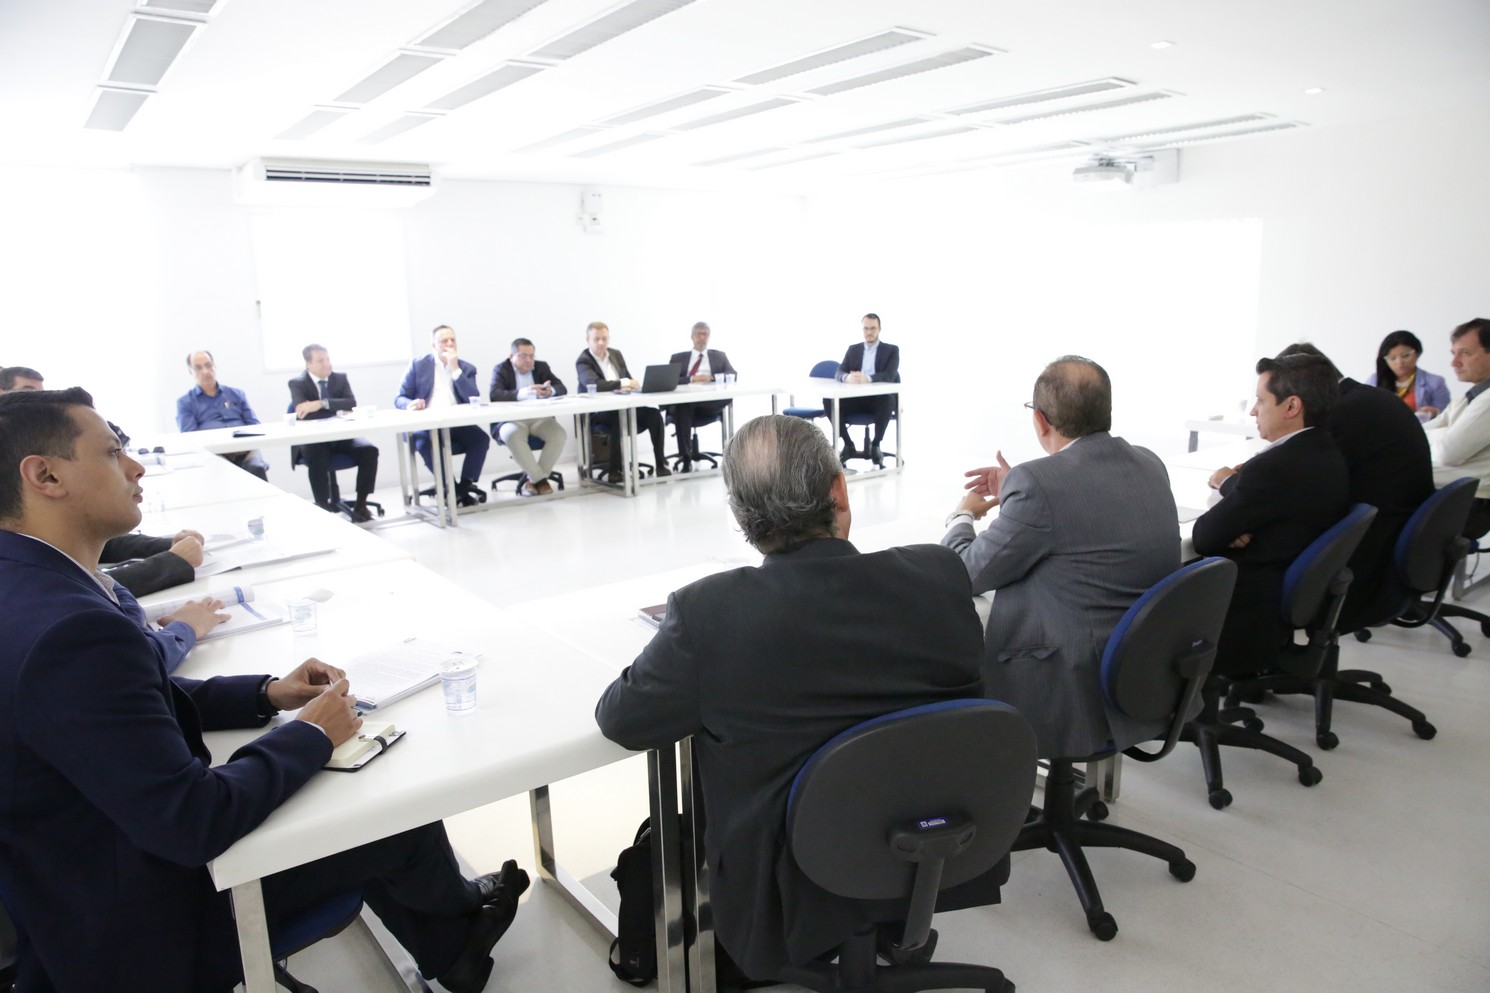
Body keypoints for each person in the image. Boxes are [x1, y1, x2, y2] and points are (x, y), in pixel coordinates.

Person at [0, 388, 528, 993]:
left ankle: (455, 945)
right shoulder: (72, 629)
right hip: (141, 923)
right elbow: (193, 820)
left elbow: (125, 698)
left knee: (348, 784)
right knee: (382, 805)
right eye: (113, 452)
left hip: (65, 885)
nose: (136, 467)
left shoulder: (29, 584)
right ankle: (457, 936)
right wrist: (310, 734)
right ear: (45, 476)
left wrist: (267, 693)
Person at [595, 414, 988, 980]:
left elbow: (621, 720)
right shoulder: (939, 575)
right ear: (839, 491)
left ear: (740, 516)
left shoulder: (710, 614)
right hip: (933, 841)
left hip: (787, 881)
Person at [942, 356, 1180, 758]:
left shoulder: (1038, 484)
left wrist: (962, 515)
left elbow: (964, 573)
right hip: (1144, 668)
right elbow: (1082, 505)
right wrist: (1017, 489)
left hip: (1072, 685)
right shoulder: (1149, 461)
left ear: (1040, 421)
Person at [1193, 354, 1350, 676]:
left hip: (1243, 614)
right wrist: (1236, 513)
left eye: (1261, 401)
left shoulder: (1275, 468)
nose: (1253, 411)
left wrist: (1231, 523)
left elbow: (1204, 537)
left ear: (1291, 406)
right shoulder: (1324, 450)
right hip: (1278, 604)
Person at [1276, 343, 1434, 631]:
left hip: (1369, 561)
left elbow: (1297, 487)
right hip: (1396, 541)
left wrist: (1236, 481)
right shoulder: (1370, 399)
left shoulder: (1340, 414)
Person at [395, 325, 490, 508]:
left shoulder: (466, 368)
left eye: (452, 340)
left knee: (480, 439)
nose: (449, 344)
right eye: (444, 341)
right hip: (426, 425)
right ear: (434, 345)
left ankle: (463, 487)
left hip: (457, 423)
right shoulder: (418, 365)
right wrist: (410, 404)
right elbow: (399, 398)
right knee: (424, 443)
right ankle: (450, 486)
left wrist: (455, 370)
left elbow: (473, 398)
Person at [288, 344, 380, 522]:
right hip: (314, 439)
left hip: (342, 436)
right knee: (317, 455)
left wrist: (321, 404)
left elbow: (351, 403)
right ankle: (322, 506)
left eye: (328, 359)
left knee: (369, 451)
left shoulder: (340, 378)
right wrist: (336, 408)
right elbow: (303, 411)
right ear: (308, 364)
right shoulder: (297, 383)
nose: (326, 364)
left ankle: (361, 504)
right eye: (320, 361)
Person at [574, 321, 671, 482]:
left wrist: (632, 384)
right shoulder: (583, 361)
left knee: (654, 415)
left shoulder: (615, 354)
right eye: (596, 339)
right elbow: (594, 384)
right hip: (600, 412)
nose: (601, 343)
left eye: (604, 338)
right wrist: (623, 383)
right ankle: (615, 470)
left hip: (624, 405)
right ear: (587, 340)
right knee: (617, 418)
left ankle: (661, 464)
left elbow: (628, 378)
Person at [1423, 318, 1490, 536]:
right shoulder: (1471, 396)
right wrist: (1446, 434)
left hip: (1470, 504)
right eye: (1454, 354)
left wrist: (1445, 435)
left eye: (1465, 353)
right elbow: (1418, 433)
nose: (1454, 362)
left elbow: (1447, 453)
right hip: (1450, 494)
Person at [489, 337, 568, 496]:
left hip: (539, 418)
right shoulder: (501, 369)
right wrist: (524, 393)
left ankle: (532, 480)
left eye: (531, 356)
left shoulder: (541, 367)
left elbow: (561, 387)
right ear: (512, 357)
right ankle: (541, 481)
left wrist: (550, 391)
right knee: (511, 434)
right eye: (523, 356)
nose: (528, 360)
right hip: (512, 420)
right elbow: (495, 394)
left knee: (559, 434)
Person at [176, 350, 271, 480]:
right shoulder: (185, 402)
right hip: (214, 453)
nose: (205, 371)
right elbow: (190, 436)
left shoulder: (236, 394)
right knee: (222, 472)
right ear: (190, 371)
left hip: (245, 449)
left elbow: (254, 424)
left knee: (256, 468)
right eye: (198, 368)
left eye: (208, 365)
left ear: (214, 366)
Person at [666, 321, 737, 472]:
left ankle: (730, 458)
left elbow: (732, 374)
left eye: (705, 334)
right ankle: (686, 458)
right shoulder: (678, 358)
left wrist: (711, 377)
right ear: (692, 336)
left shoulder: (719, 356)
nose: (702, 338)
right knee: (683, 406)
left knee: (725, 398)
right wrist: (692, 379)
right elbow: (670, 380)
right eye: (699, 334)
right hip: (685, 404)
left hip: (709, 404)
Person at [831, 312, 899, 465]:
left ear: (879, 329)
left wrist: (867, 378)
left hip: (878, 400)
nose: (869, 332)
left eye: (873, 328)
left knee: (888, 400)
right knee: (829, 401)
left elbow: (890, 375)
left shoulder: (892, 350)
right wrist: (847, 377)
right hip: (855, 399)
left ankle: (876, 444)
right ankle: (848, 444)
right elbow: (839, 371)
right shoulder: (853, 349)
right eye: (866, 328)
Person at [1367, 330, 1450, 420]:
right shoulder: (1374, 381)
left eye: (1405, 356)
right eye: (1392, 358)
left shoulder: (1435, 382)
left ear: (1417, 353)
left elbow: (1447, 417)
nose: (1399, 362)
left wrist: (1436, 413)